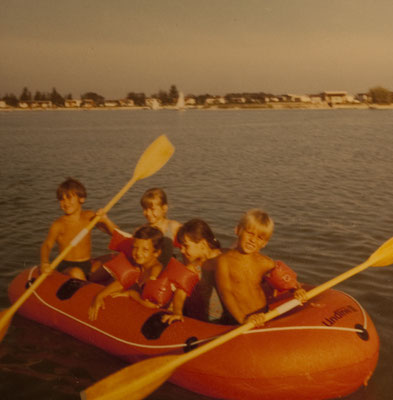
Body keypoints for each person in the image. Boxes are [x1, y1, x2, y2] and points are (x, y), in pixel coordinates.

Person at [216, 209, 305, 327]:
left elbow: (285, 279)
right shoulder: (224, 261)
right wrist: (243, 320)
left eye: (260, 238)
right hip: (240, 319)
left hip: (264, 314)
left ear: (264, 243)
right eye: (250, 233)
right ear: (238, 230)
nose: (253, 240)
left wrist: (297, 289)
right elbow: (226, 293)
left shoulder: (265, 262)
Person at [40, 178, 118, 280]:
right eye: (62, 199)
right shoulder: (59, 224)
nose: (65, 203)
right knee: (77, 273)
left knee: (113, 261)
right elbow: (47, 245)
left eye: (69, 198)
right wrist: (45, 263)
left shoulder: (89, 216)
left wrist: (106, 220)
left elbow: (115, 234)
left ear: (81, 199)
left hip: (87, 264)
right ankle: (86, 289)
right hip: (68, 266)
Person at [88, 225, 164, 321]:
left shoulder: (155, 272)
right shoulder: (140, 266)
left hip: (154, 312)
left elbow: (151, 304)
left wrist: (130, 294)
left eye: (145, 250)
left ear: (156, 253)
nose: (138, 253)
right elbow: (125, 280)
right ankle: (89, 279)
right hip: (135, 288)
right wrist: (100, 295)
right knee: (120, 268)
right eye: (135, 248)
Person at [162, 218, 223, 324]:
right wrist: (177, 312)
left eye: (186, 246)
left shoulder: (223, 260)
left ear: (203, 245)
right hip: (206, 319)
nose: (182, 250)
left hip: (221, 318)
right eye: (181, 246)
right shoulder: (194, 267)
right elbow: (180, 293)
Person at [140, 188, 182, 266]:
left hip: (168, 269)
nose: (148, 213)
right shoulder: (142, 230)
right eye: (145, 209)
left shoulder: (173, 227)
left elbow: (186, 249)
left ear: (164, 208)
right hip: (150, 269)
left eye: (152, 209)